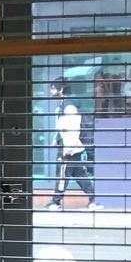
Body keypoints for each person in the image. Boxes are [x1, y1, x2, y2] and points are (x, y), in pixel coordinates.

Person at [46, 78, 98, 209]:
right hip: (70, 146)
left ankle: (56, 202)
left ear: (61, 89)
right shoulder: (63, 105)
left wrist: (68, 148)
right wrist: (56, 138)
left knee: (62, 174)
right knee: (79, 174)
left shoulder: (69, 107)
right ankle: (94, 199)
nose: (51, 91)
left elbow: (73, 129)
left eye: (53, 88)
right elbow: (62, 127)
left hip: (68, 147)